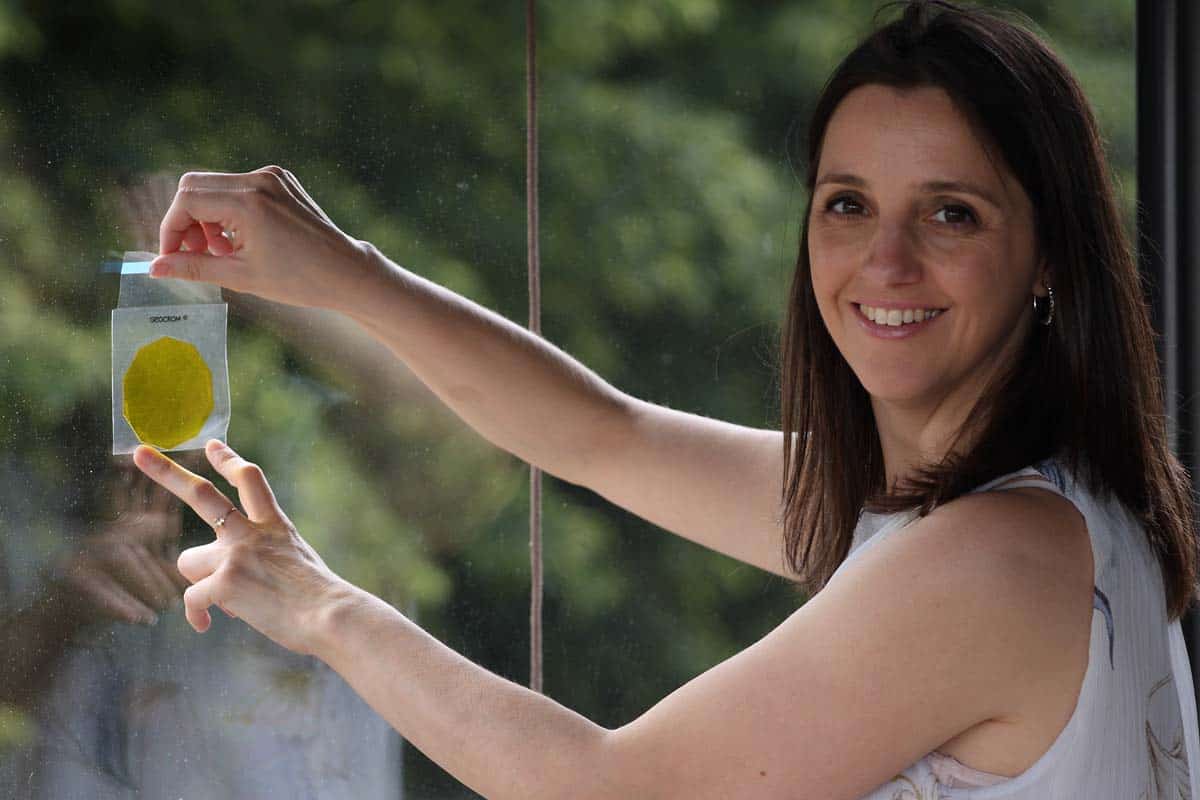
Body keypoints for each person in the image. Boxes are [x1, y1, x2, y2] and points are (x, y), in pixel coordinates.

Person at [128, 1, 1200, 797]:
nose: (886, 260)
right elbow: (606, 435)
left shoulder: (994, 559)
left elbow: (609, 791)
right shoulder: (1037, 502)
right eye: (847, 204)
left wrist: (323, 607)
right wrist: (349, 276)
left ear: (1050, 252)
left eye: (951, 213)